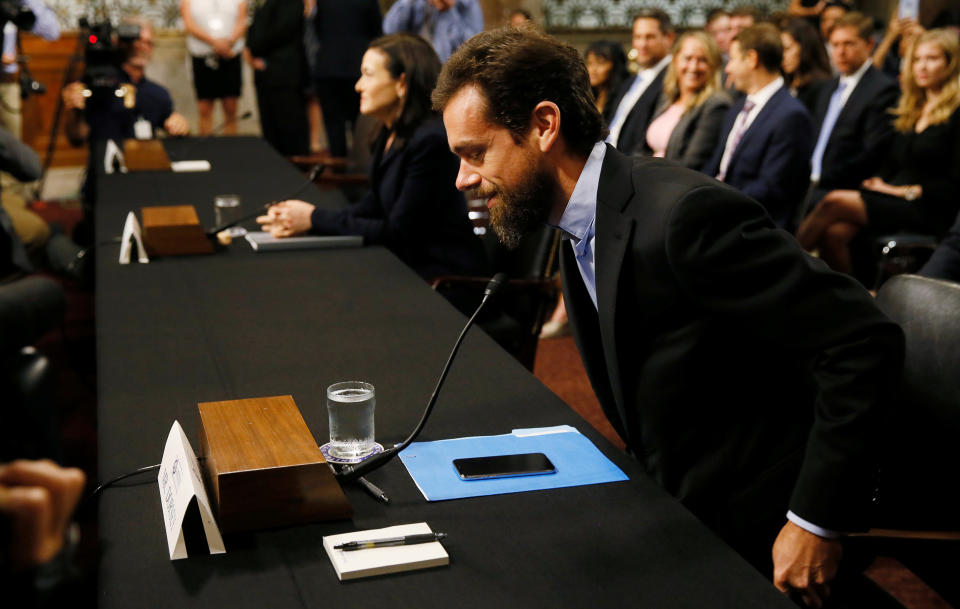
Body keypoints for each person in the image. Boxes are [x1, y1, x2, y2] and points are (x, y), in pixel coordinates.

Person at [433, 25, 902, 607]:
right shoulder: (579, 219)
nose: (464, 179)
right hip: (682, 504)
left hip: (760, 532)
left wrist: (813, 521)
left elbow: (863, 339)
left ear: (544, 125)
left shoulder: (684, 217)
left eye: (476, 153)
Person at [257, 34, 485, 281]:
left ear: (401, 83)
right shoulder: (390, 130)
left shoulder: (430, 141)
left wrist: (312, 218)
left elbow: (398, 232)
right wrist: (306, 218)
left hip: (443, 279)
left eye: (368, 74)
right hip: (407, 265)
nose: (358, 85)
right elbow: (374, 206)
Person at [797, 29, 960, 274]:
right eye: (917, 59)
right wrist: (881, 182)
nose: (922, 67)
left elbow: (953, 184)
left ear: (951, 63)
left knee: (832, 201)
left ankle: (782, 268)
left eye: (932, 58)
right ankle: (854, 301)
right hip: (894, 196)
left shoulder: (957, 112)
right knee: (834, 233)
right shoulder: (912, 106)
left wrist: (901, 191)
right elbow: (894, 161)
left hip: (930, 206)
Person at [704, 24, 814, 229]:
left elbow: (772, 189)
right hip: (721, 213)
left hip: (754, 226)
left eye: (733, 59)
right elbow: (715, 167)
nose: (727, 68)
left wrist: (714, 203)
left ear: (752, 59)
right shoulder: (737, 108)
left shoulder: (791, 116)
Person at [800, 12, 899, 221]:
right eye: (835, 45)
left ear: (869, 44)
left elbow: (872, 153)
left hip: (844, 186)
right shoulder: (828, 88)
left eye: (848, 44)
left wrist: (821, 179)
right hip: (810, 183)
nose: (840, 52)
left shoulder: (882, 89)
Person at [62, 18, 190, 145]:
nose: (142, 47)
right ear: (121, 43)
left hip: (143, 161)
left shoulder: (158, 93)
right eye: (137, 41)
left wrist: (179, 125)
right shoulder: (98, 85)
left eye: (148, 43)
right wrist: (74, 111)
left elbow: (174, 128)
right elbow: (76, 138)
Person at [643, 30, 731, 169]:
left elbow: (691, 164)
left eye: (702, 60)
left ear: (713, 66)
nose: (693, 67)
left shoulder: (716, 106)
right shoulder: (667, 98)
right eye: (688, 58)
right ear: (676, 60)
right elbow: (642, 148)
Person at [310, 0, 382, 158]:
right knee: (361, 124)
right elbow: (377, 32)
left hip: (328, 67)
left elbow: (316, 28)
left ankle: (339, 169)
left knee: (333, 125)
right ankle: (360, 168)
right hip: (359, 68)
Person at [604, 9, 674, 156]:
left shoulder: (672, 79)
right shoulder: (630, 81)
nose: (642, 44)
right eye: (638, 37)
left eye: (649, 37)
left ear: (669, 38)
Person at [246, 0, 309, 156]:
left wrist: (255, 46)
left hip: (285, 75)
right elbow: (254, 31)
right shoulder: (266, 4)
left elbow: (280, 31)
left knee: (291, 131)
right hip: (266, 75)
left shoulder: (292, 4)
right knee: (270, 130)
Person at [180, 0, 247, 136]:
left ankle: (230, 147)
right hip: (202, 56)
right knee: (204, 107)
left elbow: (242, 21)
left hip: (230, 55)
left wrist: (228, 43)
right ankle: (206, 149)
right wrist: (214, 42)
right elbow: (188, 23)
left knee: (231, 107)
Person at [382, 0, 483, 62]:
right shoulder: (416, 3)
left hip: (449, 74)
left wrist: (448, 11)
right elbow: (390, 29)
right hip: (415, 66)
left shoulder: (467, 4)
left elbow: (472, 46)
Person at [781, 18, 832, 115]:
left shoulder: (822, 87)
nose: (782, 56)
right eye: (780, 50)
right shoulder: (785, 83)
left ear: (805, 47)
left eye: (787, 49)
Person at [584, 40, 628, 115]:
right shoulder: (587, 99)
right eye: (590, 63)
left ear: (615, 66)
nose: (593, 69)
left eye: (600, 63)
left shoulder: (624, 98)